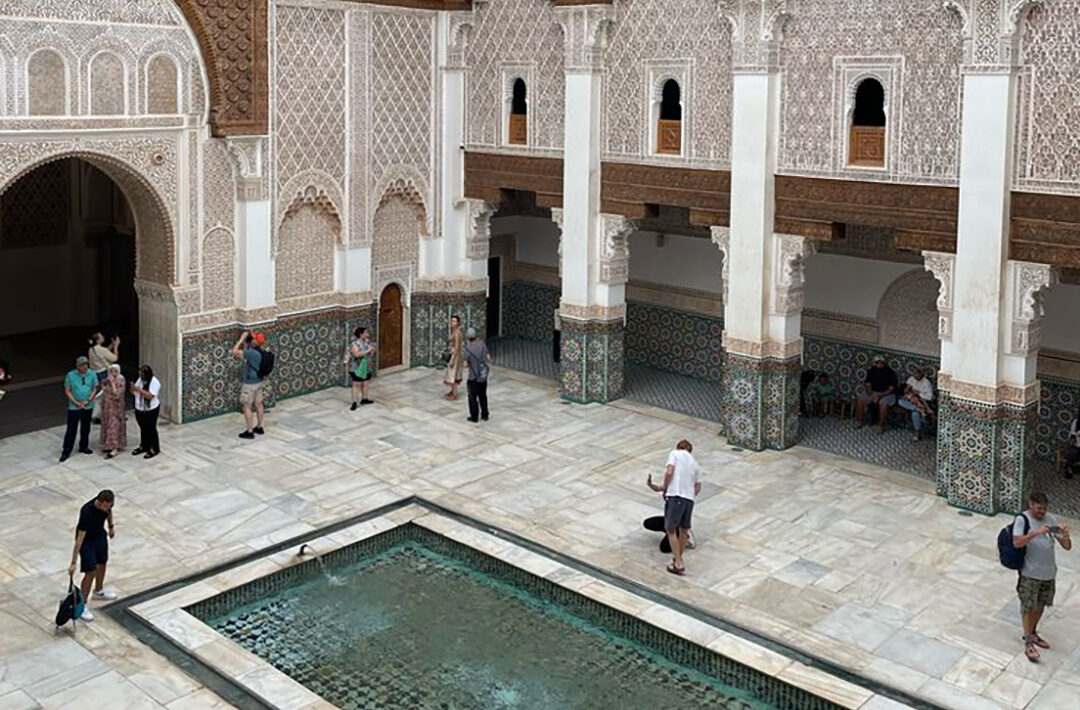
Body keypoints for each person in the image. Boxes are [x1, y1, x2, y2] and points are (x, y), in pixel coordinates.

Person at [1011, 491, 1072, 662]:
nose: (1042, 512)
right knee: (1028, 606)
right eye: (1039, 509)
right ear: (1031, 505)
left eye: (1044, 509)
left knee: (1041, 604)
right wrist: (1036, 533)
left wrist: (1065, 536)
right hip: (1030, 572)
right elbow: (1017, 542)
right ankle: (1028, 641)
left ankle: (1033, 632)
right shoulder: (1022, 520)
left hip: (1048, 572)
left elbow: (1066, 546)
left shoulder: (1050, 520)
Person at [646, 439, 703, 576]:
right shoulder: (696, 465)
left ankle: (678, 562)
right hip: (689, 500)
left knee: (670, 529)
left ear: (679, 447)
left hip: (676, 497)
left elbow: (670, 471)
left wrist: (666, 487)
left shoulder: (675, 454)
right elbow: (697, 488)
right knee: (683, 530)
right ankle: (677, 560)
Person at [67, 489, 117, 621]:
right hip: (87, 541)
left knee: (102, 563)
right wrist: (73, 562)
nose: (107, 508)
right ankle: (82, 605)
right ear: (100, 502)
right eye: (106, 506)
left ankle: (98, 591)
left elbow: (109, 513)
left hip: (99, 535)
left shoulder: (107, 506)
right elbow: (79, 539)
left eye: (110, 505)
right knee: (90, 571)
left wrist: (111, 527)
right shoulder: (87, 513)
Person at [61, 356, 99, 462]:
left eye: (86, 364)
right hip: (74, 407)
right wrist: (77, 403)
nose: (85, 367)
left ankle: (84, 446)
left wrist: (88, 400)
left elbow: (94, 388)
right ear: (77, 366)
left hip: (88, 405)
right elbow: (67, 390)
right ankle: (66, 451)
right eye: (82, 365)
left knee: (85, 427)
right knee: (71, 429)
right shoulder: (71, 375)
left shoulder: (92, 374)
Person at [232, 331, 266, 439]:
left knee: (246, 406)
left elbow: (235, 352)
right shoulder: (260, 351)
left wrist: (241, 340)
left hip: (250, 384)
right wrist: (246, 345)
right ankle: (259, 427)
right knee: (259, 404)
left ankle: (250, 431)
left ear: (254, 342)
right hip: (259, 382)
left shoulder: (251, 353)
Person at [854, 355, 899, 433]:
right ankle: (859, 421)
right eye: (877, 362)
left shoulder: (889, 372)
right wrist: (871, 393)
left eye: (881, 362)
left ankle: (880, 425)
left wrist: (880, 395)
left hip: (887, 394)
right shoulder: (871, 371)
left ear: (884, 363)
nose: (879, 364)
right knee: (860, 400)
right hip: (874, 392)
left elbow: (891, 389)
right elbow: (867, 384)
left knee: (883, 404)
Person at [87, 332, 119, 422]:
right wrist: (116, 346)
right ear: (98, 340)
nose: (103, 337)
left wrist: (111, 345)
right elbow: (114, 358)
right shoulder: (101, 350)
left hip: (94, 373)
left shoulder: (91, 349)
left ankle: (97, 414)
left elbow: (104, 353)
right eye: (101, 336)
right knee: (107, 395)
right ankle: (104, 415)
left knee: (97, 395)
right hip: (103, 373)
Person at [131, 364, 161, 459]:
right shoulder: (140, 380)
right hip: (139, 408)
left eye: (142, 373)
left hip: (151, 409)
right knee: (143, 428)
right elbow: (133, 391)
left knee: (151, 429)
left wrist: (139, 390)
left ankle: (154, 448)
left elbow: (150, 396)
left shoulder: (154, 382)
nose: (140, 375)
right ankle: (144, 446)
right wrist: (132, 388)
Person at [464, 327, 492, 423]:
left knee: (472, 397)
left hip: (473, 377)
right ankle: (485, 414)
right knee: (483, 395)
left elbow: (465, 364)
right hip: (482, 375)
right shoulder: (482, 345)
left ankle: (474, 416)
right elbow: (488, 357)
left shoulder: (468, 349)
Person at [898, 366, 934, 441]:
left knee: (915, 414)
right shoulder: (911, 379)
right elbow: (906, 391)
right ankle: (918, 409)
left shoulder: (926, 382)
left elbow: (929, 397)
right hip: (912, 401)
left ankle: (917, 433)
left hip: (923, 401)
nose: (914, 375)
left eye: (916, 373)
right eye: (913, 373)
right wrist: (908, 392)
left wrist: (917, 394)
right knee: (900, 401)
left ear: (921, 374)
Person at [99, 364, 127, 459]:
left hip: (116, 409)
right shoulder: (107, 380)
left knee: (113, 427)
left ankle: (115, 448)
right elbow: (102, 387)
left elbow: (117, 395)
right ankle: (109, 445)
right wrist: (107, 381)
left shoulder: (121, 380)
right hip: (107, 408)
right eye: (111, 371)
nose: (113, 373)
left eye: (115, 371)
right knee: (107, 426)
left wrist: (112, 383)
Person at [346, 326, 376, 410]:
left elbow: (372, 352)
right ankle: (354, 402)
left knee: (366, 382)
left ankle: (365, 398)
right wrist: (367, 351)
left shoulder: (367, 342)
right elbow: (356, 354)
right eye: (366, 333)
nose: (367, 334)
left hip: (366, 366)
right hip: (357, 367)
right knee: (356, 384)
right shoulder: (354, 344)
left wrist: (372, 351)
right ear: (361, 334)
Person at [443, 315, 464, 401]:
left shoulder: (457, 333)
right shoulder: (454, 331)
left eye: (454, 321)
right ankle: (452, 391)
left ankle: (454, 394)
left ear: (458, 323)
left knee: (453, 374)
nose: (452, 323)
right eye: (452, 321)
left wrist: (453, 360)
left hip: (455, 356)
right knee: (452, 374)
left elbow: (457, 347)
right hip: (453, 354)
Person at [1064, 408, 1080, 480]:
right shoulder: (1076, 422)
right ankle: (1069, 469)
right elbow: (1072, 435)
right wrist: (1072, 442)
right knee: (1072, 452)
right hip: (1077, 445)